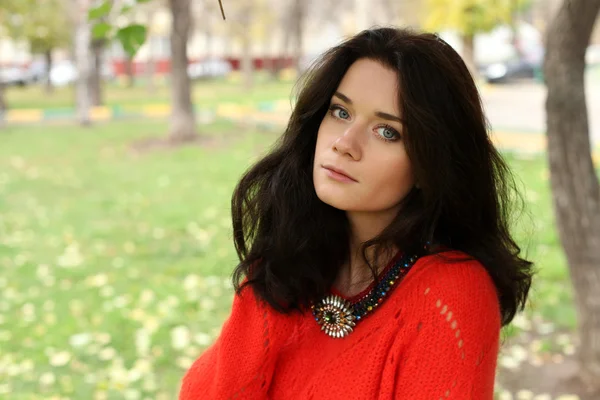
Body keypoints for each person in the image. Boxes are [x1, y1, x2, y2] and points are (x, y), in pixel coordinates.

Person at [179, 27, 533, 399]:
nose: (344, 143)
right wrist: (272, 278)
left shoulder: (452, 296)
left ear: (430, 163)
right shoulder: (294, 257)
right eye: (340, 111)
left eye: (387, 132)